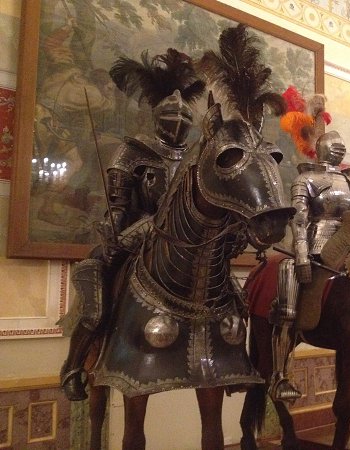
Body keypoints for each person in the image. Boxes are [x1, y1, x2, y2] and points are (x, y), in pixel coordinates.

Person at [60, 49, 206, 401]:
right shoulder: (133, 151)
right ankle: (73, 366)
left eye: (183, 119)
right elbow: (118, 205)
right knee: (97, 301)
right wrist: (113, 232)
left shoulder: (196, 159)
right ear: (157, 118)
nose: (178, 123)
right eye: (171, 117)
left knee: (223, 286)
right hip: (136, 232)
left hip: (185, 240)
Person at [268, 130, 350, 402]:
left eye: (342, 145)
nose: (339, 149)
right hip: (314, 244)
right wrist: (301, 254)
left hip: (349, 245)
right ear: (321, 148)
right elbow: (299, 218)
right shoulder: (306, 179)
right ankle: (280, 375)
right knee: (288, 305)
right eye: (334, 145)